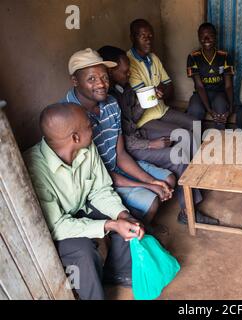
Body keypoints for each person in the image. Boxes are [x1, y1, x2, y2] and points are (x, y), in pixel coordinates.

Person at [24, 103, 145, 300]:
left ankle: (118, 272)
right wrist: (110, 225)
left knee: (130, 218)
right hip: (51, 229)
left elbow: (101, 190)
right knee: (83, 251)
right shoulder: (33, 169)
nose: (94, 128)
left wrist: (121, 216)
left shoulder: (87, 149)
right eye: (89, 125)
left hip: (77, 209)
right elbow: (57, 226)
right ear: (75, 137)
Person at [97, 45, 218, 225]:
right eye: (124, 71)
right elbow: (122, 143)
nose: (129, 73)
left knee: (186, 138)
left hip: (138, 135)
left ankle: (194, 186)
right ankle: (188, 211)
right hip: (133, 147)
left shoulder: (124, 90)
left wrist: (145, 103)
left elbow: (132, 118)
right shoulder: (107, 101)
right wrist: (150, 144)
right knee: (178, 157)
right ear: (111, 71)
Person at [62, 48, 175, 231]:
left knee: (168, 180)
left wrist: (151, 182)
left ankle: (145, 227)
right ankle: (140, 233)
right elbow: (97, 175)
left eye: (105, 77)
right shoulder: (68, 118)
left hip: (116, 166)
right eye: (91, 79)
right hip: (97, 183)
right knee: (152, 200)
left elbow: (120, 154)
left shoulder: (111, 104)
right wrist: (146, 184)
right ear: (75, 81)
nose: (101, 84)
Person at [127, 19, 197, 138]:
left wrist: (160, 92)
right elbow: (147, 98)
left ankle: (199, 155)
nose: (148, 40)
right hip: (145, 119)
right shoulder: (128, 62)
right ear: (132, 38)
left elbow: (169, 86)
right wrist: (158, 91)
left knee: (196, 124)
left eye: (150, 36)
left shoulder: (153, 58)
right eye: (142, 36)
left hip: (162, 110)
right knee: (182, 134)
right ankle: (190, 155)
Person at [186, 22, 234, 129]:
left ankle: (218, 141)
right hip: (200, 94)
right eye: (203, 36)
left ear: (215, 37)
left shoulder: (225, 56)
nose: (206, 39)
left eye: (210, 36)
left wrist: (230, 107)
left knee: (221, 109)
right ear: (199, 38)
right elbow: (199, 86)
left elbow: (228, 86)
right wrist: (209, 110)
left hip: (219, 93)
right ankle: (195, 142)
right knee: (195, 109)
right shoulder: (193, 57)